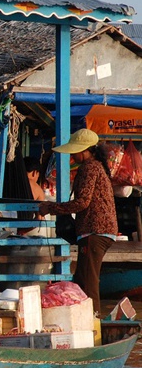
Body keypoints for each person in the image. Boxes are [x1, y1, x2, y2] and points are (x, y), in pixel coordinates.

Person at [38, 128, 118, 315]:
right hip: (100, 231)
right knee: (82, 278)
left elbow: (82, 203)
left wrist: (50, 208)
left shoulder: (89, 168)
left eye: (75, 151)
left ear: (85, 150)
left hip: (94, 231)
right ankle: (88, 319)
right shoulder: (98, 166)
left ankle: (94, 321)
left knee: (87, 283)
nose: (73, 155)